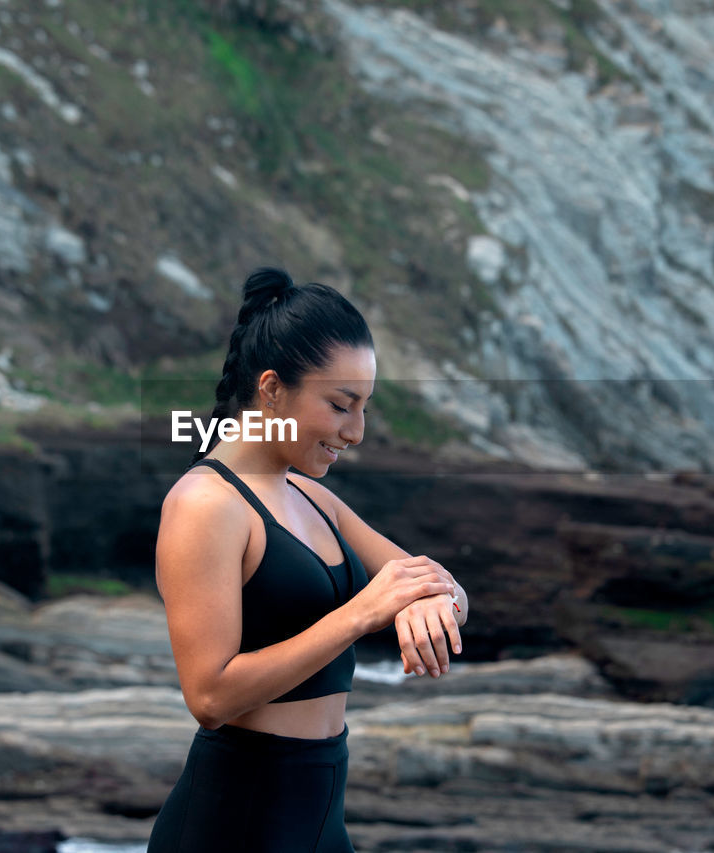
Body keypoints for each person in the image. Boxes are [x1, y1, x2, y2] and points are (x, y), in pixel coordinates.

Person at [146, 267, 469, 852]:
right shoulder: (205, 505)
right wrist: (362, 614)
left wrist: (435, 602)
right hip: (235, 825)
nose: (357, 431)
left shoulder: (313, 497)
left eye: (364, 407)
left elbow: (436, 584)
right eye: (341, 405)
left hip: (321, 818)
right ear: (271, 389)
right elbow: (210, 698)